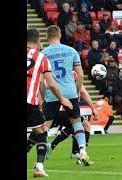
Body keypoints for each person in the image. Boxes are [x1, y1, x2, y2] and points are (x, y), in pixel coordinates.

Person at [40, 25, 92, 166]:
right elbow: (80, 74)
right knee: (76, 122)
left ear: (47, 37)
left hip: (52, 93)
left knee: (45, 127)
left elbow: (42, 81)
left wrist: (42, 97)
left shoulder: (43, 54)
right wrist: (76, 91)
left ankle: (41, 158)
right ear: (60, 35)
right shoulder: (71, 51)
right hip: (70, 92)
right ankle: (82, 151)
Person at [27, 29, 73, 177]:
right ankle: (39, 166)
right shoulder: (41, 58)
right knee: (41, 132)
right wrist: (61, 99)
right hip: (29, 102)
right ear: (38, 40)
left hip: (32, 101)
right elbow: (51, 84)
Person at [45, 72, 99, 162]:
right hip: (63, 110)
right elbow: (83, 92)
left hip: (57, 110)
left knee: (73, 127)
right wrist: (93, 108)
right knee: (84, 125)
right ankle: (79, 152)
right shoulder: (73, 76)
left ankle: (72, 151)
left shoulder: (61, 76)